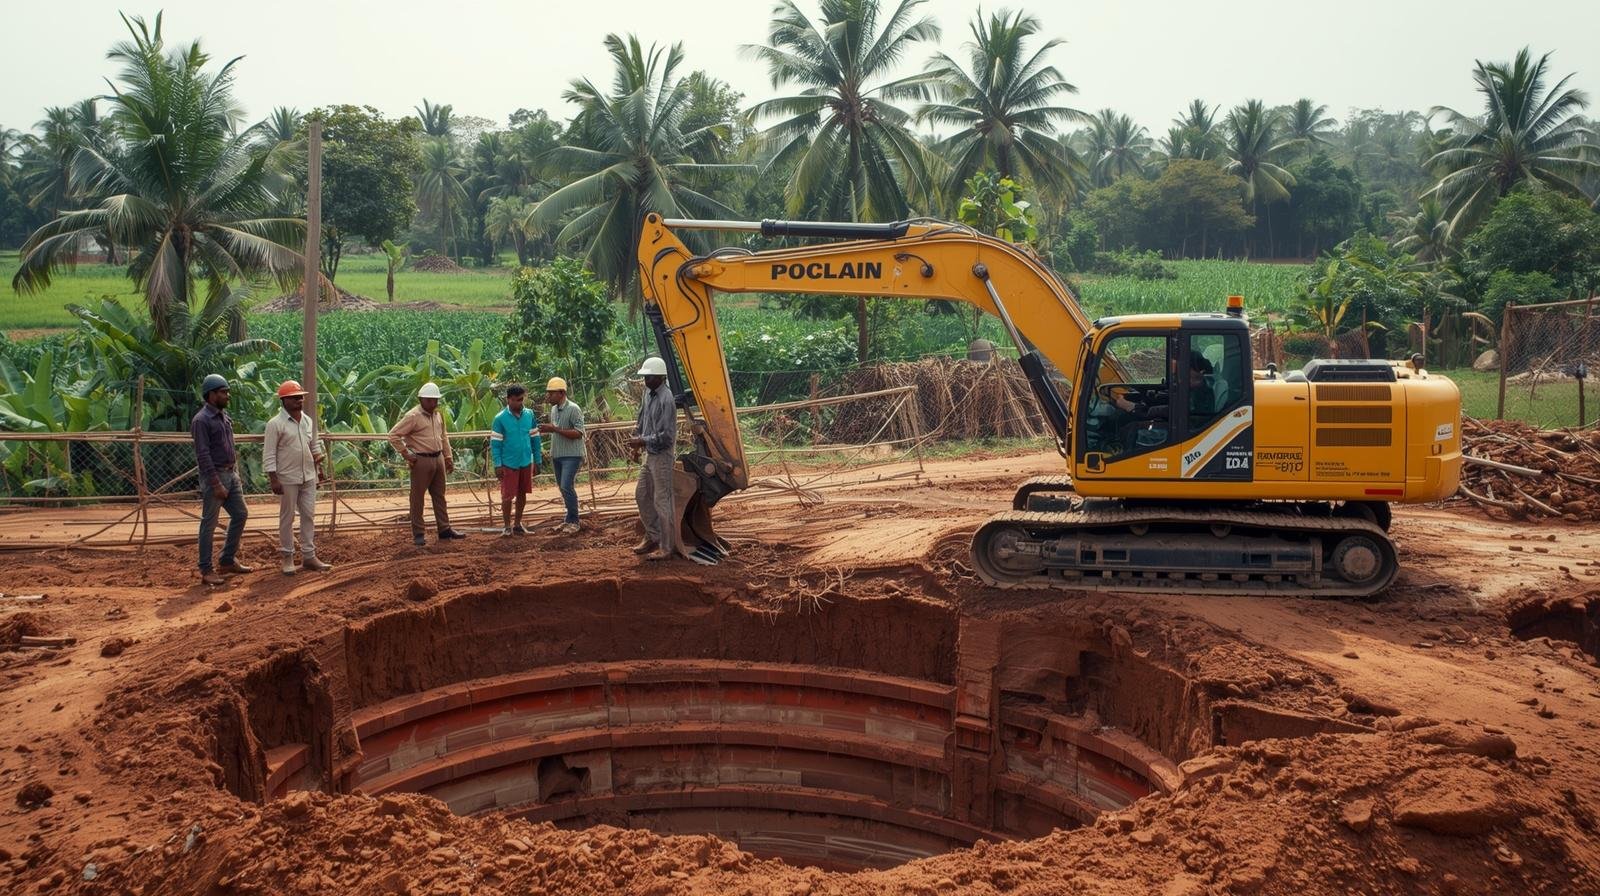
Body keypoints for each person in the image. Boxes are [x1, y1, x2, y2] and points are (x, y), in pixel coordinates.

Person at [388, 382, 468, 546]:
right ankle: (418, 533)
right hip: (421, 459)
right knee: (417, 498)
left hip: (437, 458)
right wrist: (406, 454)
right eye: (429, 400)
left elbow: (443, 436)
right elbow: (393, 435)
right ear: (421, 400)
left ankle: (444, 529)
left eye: (435, 400)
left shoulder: (438, 415)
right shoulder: (413, 416)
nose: (433, 403)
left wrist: (448, 456)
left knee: (440, 496)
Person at [264, 380, 331, 575]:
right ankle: (287, 557)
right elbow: (269, 453)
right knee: (288, 517)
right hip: (287, 477)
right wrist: (273, 478)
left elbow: (314, 445)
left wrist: (319, 470)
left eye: (300, 397)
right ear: (284, 401)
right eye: (294, 398)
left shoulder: (308, 421)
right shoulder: (275, 424)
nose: (299, 401)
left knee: (308, 515)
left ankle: (309, 556)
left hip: (308, 475)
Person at [191, 374, 252, 586]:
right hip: (215, 475)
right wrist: (215, 482)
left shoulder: (224, 418)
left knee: (241, 514)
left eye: (227, 391)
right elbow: (203, 454)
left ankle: (227, 559)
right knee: (209, 522)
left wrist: (234, 474)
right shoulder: (201, 420)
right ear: (211, 395)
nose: (227, 395)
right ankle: (206, 569)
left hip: (230, 473)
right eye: (223, 392)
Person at [627, 357, 676, 561]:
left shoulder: (667, 399)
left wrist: (642, 440)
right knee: (642, 494)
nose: (646, 380)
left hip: (662, 455)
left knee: (661, 500)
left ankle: (667, 547)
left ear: (660, 377)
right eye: (645, 377)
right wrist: (637, 440)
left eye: (649, 377)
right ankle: (653, 536)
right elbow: (642, 419)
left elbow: (667, 436)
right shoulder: (648, 394)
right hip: (649, 453)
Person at [491, 384, 541, 536]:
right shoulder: (499, 419)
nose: (520, 403)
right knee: (507, 496)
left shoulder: (529, 415)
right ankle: (507, 527)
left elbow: (535, 438)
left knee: (522, 493)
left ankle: (518, 524)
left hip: (526, 461)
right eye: (516, 400)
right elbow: (496, 444)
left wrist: (537, 460)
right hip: (508, 463)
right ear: (508, 400)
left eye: (521, 399)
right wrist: (497, 464)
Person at [539, 376, 585, 534]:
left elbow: (579, 433)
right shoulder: (553, 410)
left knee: (566, 485)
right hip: (557, 454)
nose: (548, 397)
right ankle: (569, 519)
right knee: (563, 487)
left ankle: (574, 521)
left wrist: (554, 429)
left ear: (561, 393)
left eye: (551, 393)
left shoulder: (574, 409)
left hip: (572, 455)